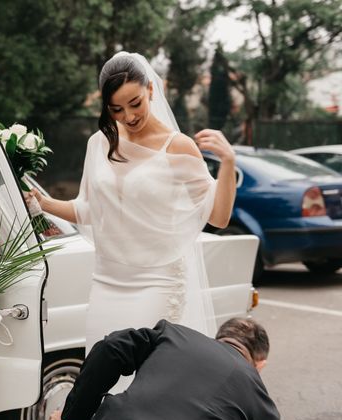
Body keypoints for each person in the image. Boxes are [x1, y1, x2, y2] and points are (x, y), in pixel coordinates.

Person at [28, 52, 237, 392]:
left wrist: (228, 163)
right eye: (117, 109)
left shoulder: (178, 148)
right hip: (107, 282)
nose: (128, 116)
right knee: (101, 378)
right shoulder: (99, 143)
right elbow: (89, 211)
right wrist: (45, 203)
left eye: (135, 103)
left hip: (156, 281)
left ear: (151, 89)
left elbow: (219, 216)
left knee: (142, 385)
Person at [49, 317, 285, 420]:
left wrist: (72, 417)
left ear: (217, 338)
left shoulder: (174, 335)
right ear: (260, 364)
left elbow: (111, 348)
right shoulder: (258, 395)